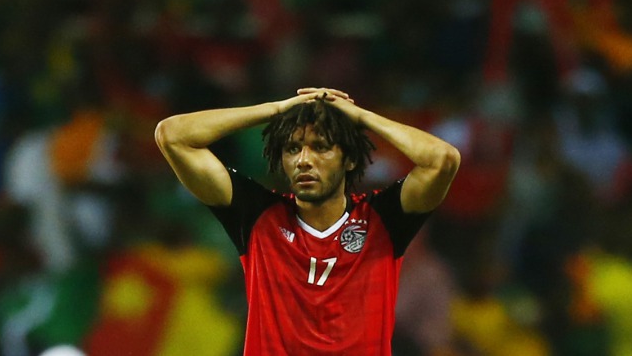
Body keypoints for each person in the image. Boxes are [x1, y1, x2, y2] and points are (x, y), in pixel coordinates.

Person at [154, 87, 461, 355]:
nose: (304, 160)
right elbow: (173, 136)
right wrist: (276, 110)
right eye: (292, 148)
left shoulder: (383, 219)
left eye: (321, 147)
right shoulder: (258, 215)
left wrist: (361, 118)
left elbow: (443, 159)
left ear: (350, 158)